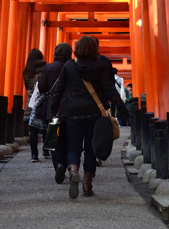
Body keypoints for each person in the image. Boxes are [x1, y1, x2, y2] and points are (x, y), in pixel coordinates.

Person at [48, 35, 127, 199]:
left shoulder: (69, 66)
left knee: (73, 147)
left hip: (73, 112)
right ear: (94, 48)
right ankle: (87, 184)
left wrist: (54, 110)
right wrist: (121, 107)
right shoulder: (101, 64)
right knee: (92, 148)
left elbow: (58, 90)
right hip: (94, 113)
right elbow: (109, 89)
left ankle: (74, 171)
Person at [36, 41, 73, 177]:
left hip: (53, 108)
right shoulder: (73, 67)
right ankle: (69, 164)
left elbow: (42, 87)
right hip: (70, 107)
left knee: (54, 138)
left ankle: (58, 164)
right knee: (69, 140)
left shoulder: (48, 67)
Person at [22, 47, 46, 161]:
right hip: (44, 100)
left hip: (32, 102)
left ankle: (34, 155)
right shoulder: (46, 68)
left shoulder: (27, 71)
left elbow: (27, 87)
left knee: (33, 130)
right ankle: (46, 151)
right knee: (46, 126)